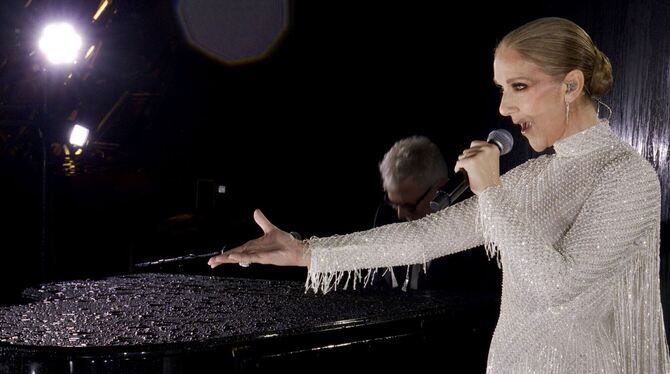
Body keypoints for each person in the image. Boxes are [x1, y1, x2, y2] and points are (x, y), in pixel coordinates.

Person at [209, 17, 670, 372]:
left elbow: (560, 287)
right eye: (501, 89)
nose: (504, 108)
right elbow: (424, 238)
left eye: (520, 87)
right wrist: (306, 253)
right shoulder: (533, 179)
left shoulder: (625, 178)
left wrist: (490, 189)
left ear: (571, 84)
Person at [376, 135, 448, 290]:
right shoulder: (384, 216)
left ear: (439, 189)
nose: (400, 215)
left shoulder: (470, 232)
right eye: (394, 203)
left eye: (410, 205)